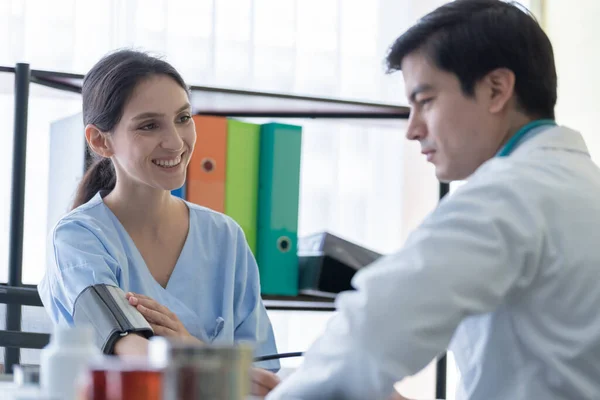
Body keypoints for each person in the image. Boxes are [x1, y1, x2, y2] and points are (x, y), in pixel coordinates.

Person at [267, 1, 600, 399]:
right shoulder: (581, 185)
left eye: (425, 101)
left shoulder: (504, 195)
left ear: (496, 89)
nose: (412, 129)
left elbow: (370, 337)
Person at [38, 49, 280, 396]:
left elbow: (262, 376)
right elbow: (123, 343)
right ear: (100, 140)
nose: (175, 142)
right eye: (149, 125)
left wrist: (188, 346)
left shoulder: (225, 237)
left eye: (183, 118)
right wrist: (206, 359)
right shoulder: (78, 237)